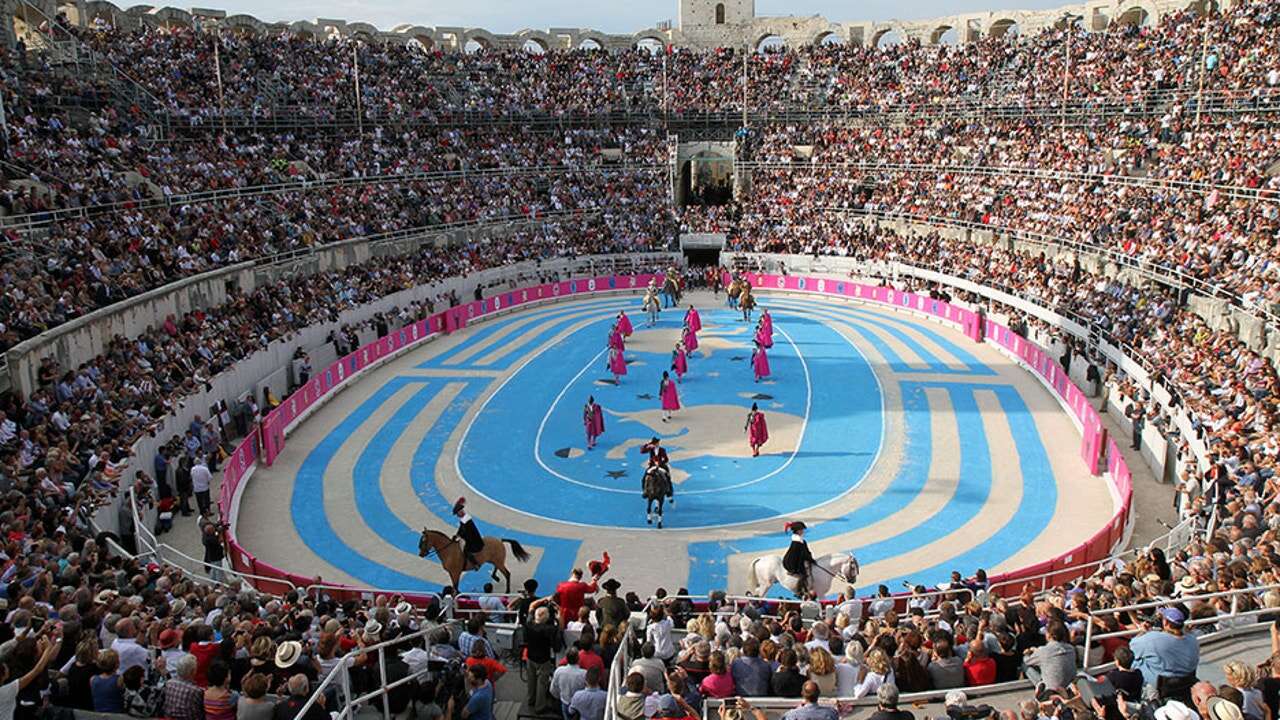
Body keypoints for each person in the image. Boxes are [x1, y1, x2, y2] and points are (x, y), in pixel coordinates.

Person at [1130, 608, 1199, 688]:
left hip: (1165, 685)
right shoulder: (1192, 639)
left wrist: (1143, 632)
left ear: (1165, 622)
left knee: (1137, 661)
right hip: (1188, 679)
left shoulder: (1152, 638)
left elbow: (1132, 645)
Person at [524, 604, 560, 714]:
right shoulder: (548, 629)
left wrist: (542, 601)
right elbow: (559, 630)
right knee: (542, 682)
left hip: (530, 657)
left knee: (531, 679)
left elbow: (531, 608)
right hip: (543, 659)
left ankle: (531, 699)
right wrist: (559, 616)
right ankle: (540, 706)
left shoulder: (529, 624)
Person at [1023, 622, 1077, 693]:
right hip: (1069, 686)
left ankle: (1040, 684)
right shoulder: (1071, 648)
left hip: (1051, 689)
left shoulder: (1043, 650)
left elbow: (1027, 661)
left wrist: (1027, 653)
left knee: (1024, 665)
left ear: (1049, 635)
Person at [551, 649, 588, 720]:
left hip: (564, 702)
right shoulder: (584, 674)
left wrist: (559, 697)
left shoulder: (559, 671)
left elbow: (553, 690)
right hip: (579, 705)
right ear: (578, 659)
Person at [782, 521, 816, 598]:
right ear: (798, 531)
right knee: (803, 575)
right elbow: (803, 554)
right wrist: (811, 560)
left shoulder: (801, 540)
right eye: (802, 530)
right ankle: (799, 591)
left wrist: (811, 557)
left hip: (797, 559)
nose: (803, 531)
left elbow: (806, 551)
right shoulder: (797, 542)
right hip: (791, 562)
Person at [451, 497, 485, 570]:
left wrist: (460, 537)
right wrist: (457, 535)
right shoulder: (464, 520)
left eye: (457, 513)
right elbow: (461, 529)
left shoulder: (467, 521)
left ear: (460, 512)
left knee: (466, 550)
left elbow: (467, 532)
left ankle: (476, 564)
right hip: (470, 538)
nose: (457, 515)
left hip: (474, 540)